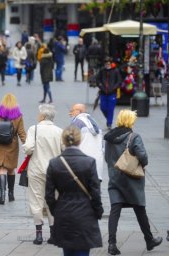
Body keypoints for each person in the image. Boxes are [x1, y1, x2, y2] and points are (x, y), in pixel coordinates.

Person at [104, 109, 162, 255]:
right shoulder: (134, 137)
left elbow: (106, 157)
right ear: (130, 121)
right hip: (132, 180)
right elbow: (144, 157)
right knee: (140, 209)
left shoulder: (110, 138)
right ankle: (149, 240)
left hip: (115, 178)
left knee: (114, 211)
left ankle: (112, 244)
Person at [46, 125, 103, 256]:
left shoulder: (54, 163)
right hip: (85, 212)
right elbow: (95, 192)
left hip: (63, 211)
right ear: (80, 140)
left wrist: (56, 210)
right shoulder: (89, 162)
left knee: (67, 251)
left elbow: (49, 195)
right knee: (82, 251)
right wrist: (97, 211)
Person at [23, 104, 63, 245]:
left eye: (39, 114)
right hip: (54, 171)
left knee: (36, 199)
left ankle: (39, 234)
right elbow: (64, 151)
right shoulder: (59, 131)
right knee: (53, 201)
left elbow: (28, 149)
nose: (37, 116)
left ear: (42, 116)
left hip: (36, 169)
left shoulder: (34, 129)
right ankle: (54, 234)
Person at [0, 93, 27, 205]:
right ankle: (11, 193)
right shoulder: (18, 116)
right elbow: (21, 133)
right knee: (10, 170)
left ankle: (2, 195)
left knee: (2, 170)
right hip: (12, 146)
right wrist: (28, 146)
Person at [69, 103, 105, 181]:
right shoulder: (95, 123)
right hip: (97, 165)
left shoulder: (76, 123)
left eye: (72, 110)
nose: (70, 112)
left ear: (79, 111)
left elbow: (70, 143)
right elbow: (102, 148)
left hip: (82, 164)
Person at [96, 57, 122, 129]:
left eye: (108, 63)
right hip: (103, 92)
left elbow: (119, 81)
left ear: (111, 63)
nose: (107, 65)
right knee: (103, 107)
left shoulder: (115, 71)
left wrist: (114, 88)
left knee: (110, 109)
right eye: (106, 63)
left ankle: (109, 123)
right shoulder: (102, 71)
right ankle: (109, 118)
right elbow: (98, 80)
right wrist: (101, 86)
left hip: (112, 93)